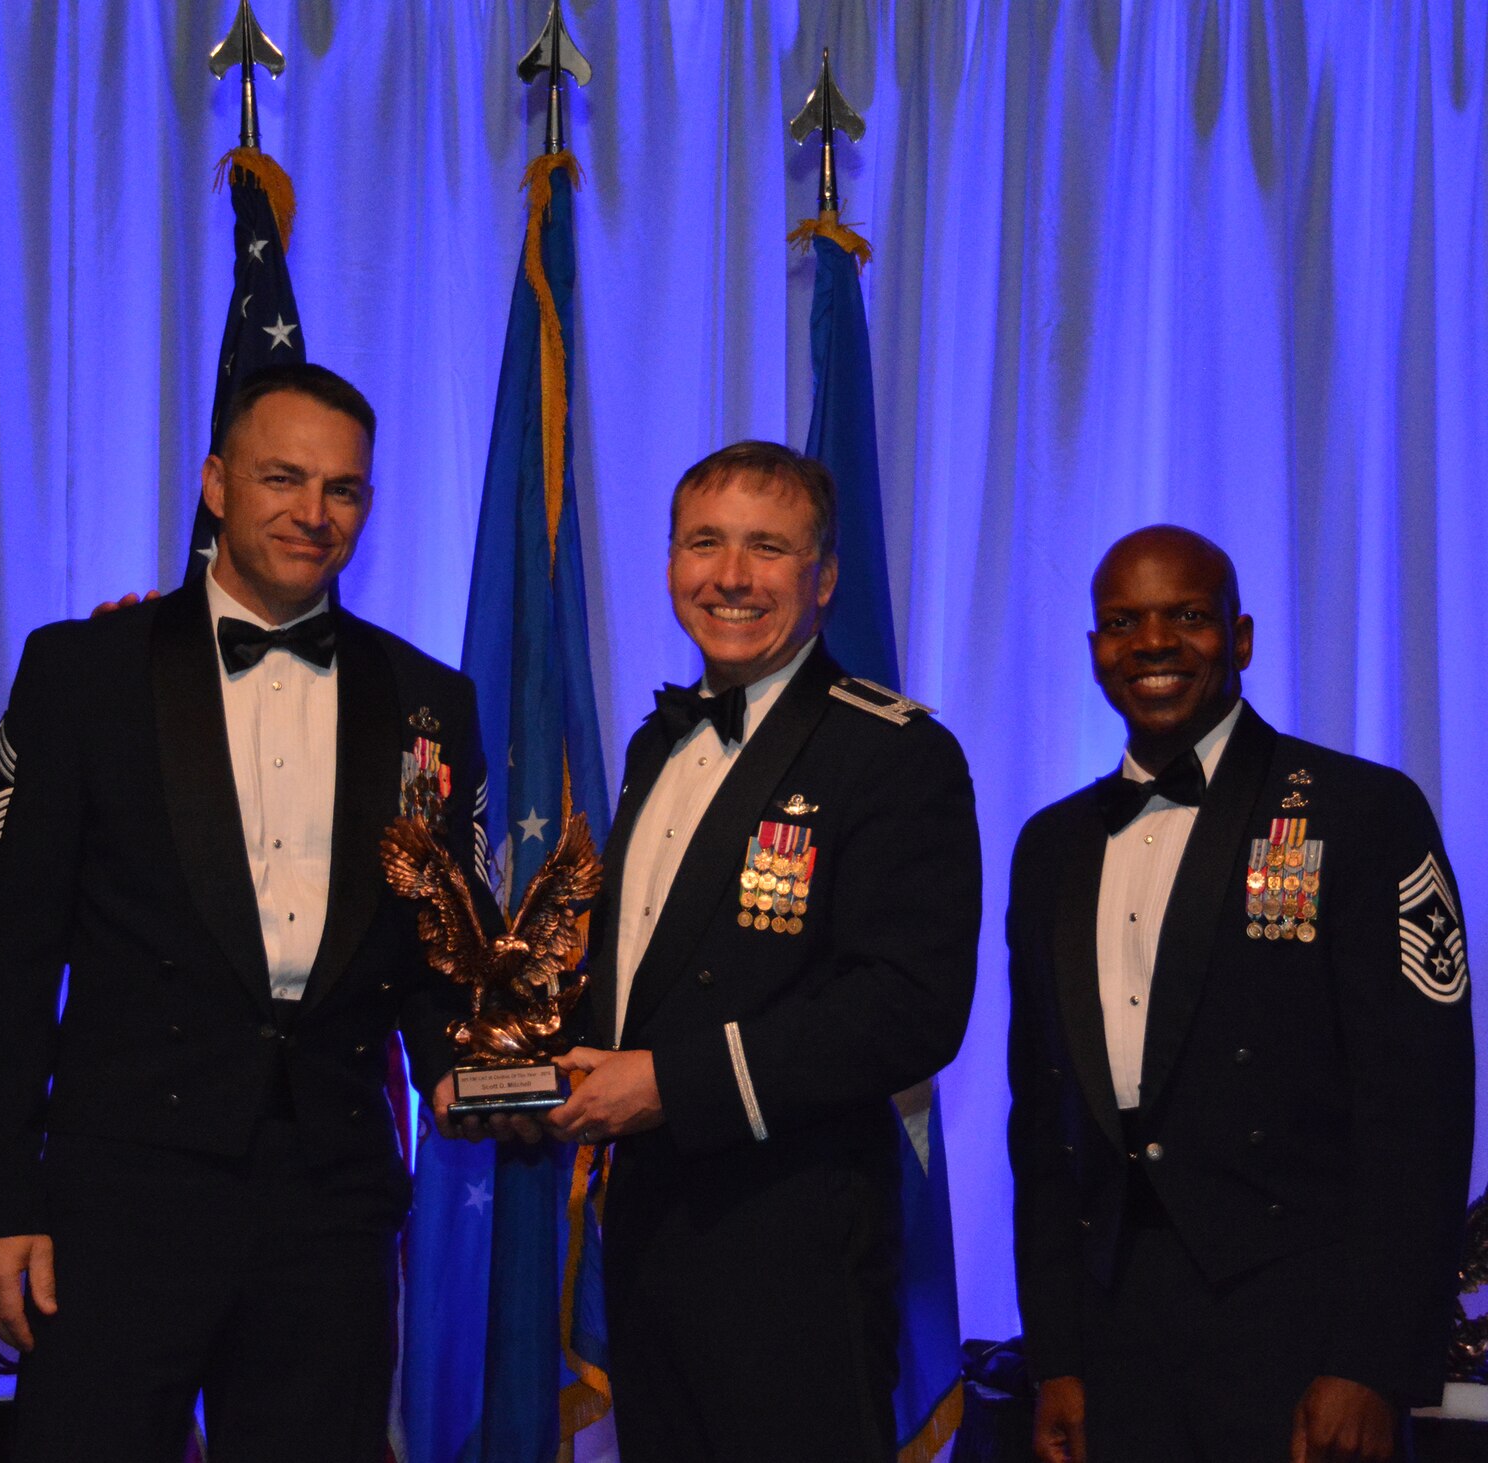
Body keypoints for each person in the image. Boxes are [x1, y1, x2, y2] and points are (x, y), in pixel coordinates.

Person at [0, 362, 489, 1462]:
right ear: (214, 482)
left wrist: (478, 1068)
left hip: (331, 1201)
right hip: (118, 1196)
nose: (312, 511)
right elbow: (6, 957)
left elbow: (435, 947)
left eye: (341, 489)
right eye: (282, 477)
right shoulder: (81, 670)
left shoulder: (430, 696)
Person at [544, 440, 981, 1462]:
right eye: (703, 543)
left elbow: (909, 1007)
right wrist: (524, 1067)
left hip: (793, 1255)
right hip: (651, 1237)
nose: (729, 576)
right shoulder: (658, 742)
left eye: (766, 548)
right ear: (667, 564)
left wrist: (669, 1084)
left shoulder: (893, 753)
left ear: (821, 577)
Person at [1006, 525, 1474, 1463]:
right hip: (1116, 1333)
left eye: (1186, 615)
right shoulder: (1049, 845)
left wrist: (1372, 1363)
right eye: (1120, 621)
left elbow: (1419, 1113)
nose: (1151, 642)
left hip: (1301, 1331)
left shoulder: (1361, 811)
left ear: (1243, 637)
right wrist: (1056, 1352)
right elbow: (1041, 1121)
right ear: (1094, 648)